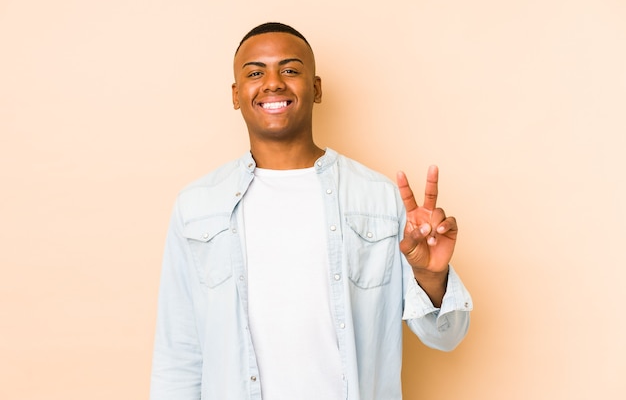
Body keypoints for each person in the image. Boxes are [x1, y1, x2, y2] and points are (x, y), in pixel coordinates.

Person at [150, 22, 472, 400]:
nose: (273, 83)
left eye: (290, 69)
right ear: (236, 95)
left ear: (316, 88)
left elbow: (447, 337)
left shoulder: (378, 199)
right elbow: (179, 355)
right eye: (256, 72)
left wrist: (430, 276)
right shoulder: (197, 206)